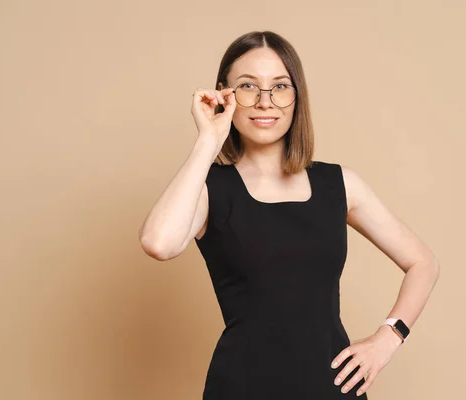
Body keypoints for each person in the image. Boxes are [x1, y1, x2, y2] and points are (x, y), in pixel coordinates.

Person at [138, 31, 440, 399]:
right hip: (242, 388)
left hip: (333, 389)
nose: (266, 102)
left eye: (280, 87)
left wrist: (388, 338)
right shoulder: (208, 189)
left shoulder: (339, 184)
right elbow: (158, 243)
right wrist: (208, 141)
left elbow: (423, 263)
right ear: (224, 96)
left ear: (297, 97)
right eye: (248, 86)